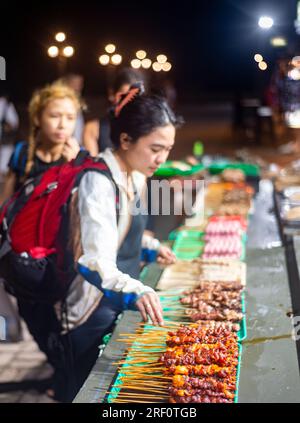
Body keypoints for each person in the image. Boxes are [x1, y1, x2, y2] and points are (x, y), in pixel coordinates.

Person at [0, 82, 81, 204]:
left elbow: (80, 210)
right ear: (38, 118)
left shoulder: (81, 158)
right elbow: (4, 203)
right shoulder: (22, 153)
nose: (63, 125)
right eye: (55, 116)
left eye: (70, 118)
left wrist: (74, 168)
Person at [83, 67, 144, 156]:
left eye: (135, 98)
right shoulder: (93, 129)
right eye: (123, 97)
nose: (128, 103)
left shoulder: (148, 129)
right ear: (112, 94)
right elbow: (93, 167)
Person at [59, 73, 86, 145]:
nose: (77, 88)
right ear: (67, 84)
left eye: (80, 84)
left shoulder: (80, 104)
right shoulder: (59, 104)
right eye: (74, 84)